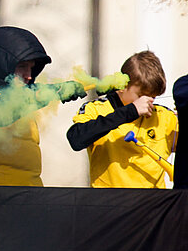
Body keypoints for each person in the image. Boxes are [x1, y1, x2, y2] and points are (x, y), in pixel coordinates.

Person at [0, 26, 84, 186]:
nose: (29, 75)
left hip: (29, 201)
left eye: (32, 68)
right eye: (22, 67)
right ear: (2, 65)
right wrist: (52, 91)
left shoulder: (24, 108)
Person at [68, 50, 177, 189]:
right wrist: (130, 111)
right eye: (141, 96)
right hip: (110, 205)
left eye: (153, 97)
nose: (148, 102)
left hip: (153, 206)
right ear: (122, 87)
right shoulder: (96, 109)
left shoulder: (164, 116)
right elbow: (75, 139)